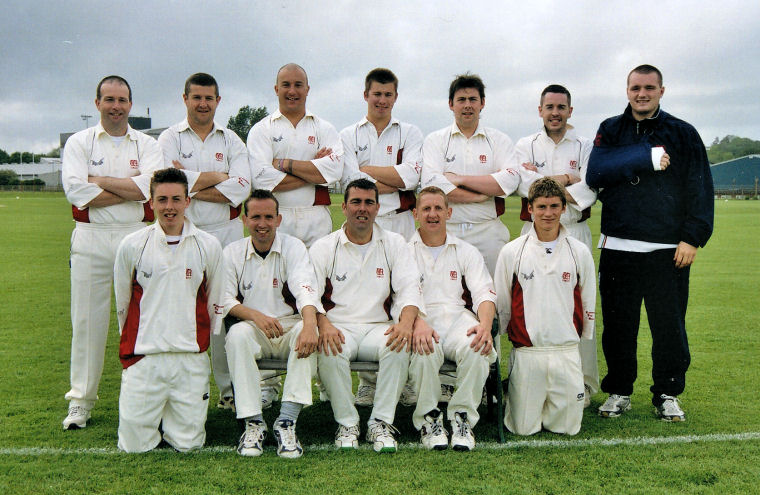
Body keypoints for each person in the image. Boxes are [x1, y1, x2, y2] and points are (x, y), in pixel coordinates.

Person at [587, 65, 714, 422]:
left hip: (667, 249)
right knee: (618, 326)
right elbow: (596, 172)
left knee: (669, 325)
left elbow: (700, 187)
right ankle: (619, 390)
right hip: (618, 245)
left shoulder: (683, 133)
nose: (641, 94)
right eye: (635, 88)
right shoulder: (611, 129)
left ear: (661, 90)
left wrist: (692, 237)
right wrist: (645, 158)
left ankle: (668, 392)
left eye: (648, 88)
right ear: (626, 90)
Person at [61, 75, 163, 429]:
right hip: (90, 237)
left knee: (135, 321)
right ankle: (81, 402)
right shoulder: (80, 142)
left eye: (122, 100)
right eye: (109, 100)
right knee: (87, 322)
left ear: (131, 104)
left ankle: (140, 398)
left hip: (137, 237)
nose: (116, 106)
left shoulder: (147, 145)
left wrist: (99, 181)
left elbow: (151, 190)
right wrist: (129, 189)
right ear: (97, 103)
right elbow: (76, 192)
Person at [158, 72, 252, 413]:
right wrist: (220, 178)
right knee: (183, 311)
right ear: (185, 99)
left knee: (224, 311)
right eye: (196, 97)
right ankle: (184, 391)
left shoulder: (232, 141)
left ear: (217, 101)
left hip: (227, 234)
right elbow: (167, 184)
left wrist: (191, 183)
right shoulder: (169, 138)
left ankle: (229, 390)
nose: (202, 103)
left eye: (209, 98)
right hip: (184, 233)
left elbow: (241, 188)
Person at [114, 168, 224, 452]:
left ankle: (174, 419)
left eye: (176, 199)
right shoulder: (132, 245)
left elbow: (215, 304)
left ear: (188, 201)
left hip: (189, 360)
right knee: (134, 447)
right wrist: (136, 351)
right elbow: (123, 304)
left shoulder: (208, 246)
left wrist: (194, 343)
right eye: (162, 199)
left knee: (189, 445)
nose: (169, 207)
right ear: (150, 202)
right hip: (145, 359)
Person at [310, 178, 424, 453]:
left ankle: (381, 423)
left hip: (379, 326)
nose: (362, 208)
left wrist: (406, 323)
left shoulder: (395, 243)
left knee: (398, 343)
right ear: (344, 207)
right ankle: (347, 423)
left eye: (369, 202)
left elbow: (409, 289)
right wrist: (323, 324)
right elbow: (310, 295)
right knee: (329, 347)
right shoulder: (324, 246)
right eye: (356, 202)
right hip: (339, 326)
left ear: (377, 207)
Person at [339, 67, 423, 407]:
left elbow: (413, 176)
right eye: (377, 94)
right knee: (366, 296)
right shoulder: (348, 134)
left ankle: (401, 379)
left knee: (401, 293)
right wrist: (390, 179)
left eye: (388, 95)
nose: (382, 100)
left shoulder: (411, 132)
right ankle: (367, 382)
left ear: (395, 97)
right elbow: (346, 179)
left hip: (400, 221)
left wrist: (366, 172)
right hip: (363, 220)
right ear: (366, 95)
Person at [514, 84, 599, 407]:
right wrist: (564, 180)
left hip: (574, 232)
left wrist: (546, 183)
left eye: (561, 107)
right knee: (532, 305)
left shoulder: (586, 146)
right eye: (549, 107)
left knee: (578, 305)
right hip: (532, 233)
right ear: (540, 110)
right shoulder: (525, 145)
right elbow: (522, 185)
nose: (555, 113)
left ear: (570, 111)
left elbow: (590, 189)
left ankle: (582, 382)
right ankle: (532, 379)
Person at [222, 190, 321, 458]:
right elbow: (224, 299)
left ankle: (286, 421)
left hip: (289, 325)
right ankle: (253, 422)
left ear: (278, 219)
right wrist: (256, 315)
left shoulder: (294, 247)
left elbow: (305, 289)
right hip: (254, 328)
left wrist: (311, 325)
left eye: (268, 217)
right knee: (236, 336)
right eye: (255, 217)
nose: (262, 224)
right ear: (245, 219)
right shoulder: (232, 252)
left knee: (305, 331)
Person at [494, 177, 596, 436]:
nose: (548, 213)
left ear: (564, 208)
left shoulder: (579, 251)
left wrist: (584, 334)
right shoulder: (512, 251)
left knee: (567, 428)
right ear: (529, 209)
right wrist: (508, 333)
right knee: (523, 429)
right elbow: (503, 300)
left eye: (554, 206)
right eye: (541, 207)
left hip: (567, 351)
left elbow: (587, 298)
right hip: (529, 353)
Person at [407, 186, 497, 451]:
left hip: (458, 317)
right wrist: (417, 321)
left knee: (476, 345)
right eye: (426, 208)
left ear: (449, 212)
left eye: (438, 208)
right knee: (424, 349)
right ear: (415, 214)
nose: (432, 214)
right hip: (421, 318)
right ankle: (429, 419)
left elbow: (484, 293)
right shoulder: (403, 251)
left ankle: (462, 419)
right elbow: (399, 295)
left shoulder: (466, 250)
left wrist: (485, 326)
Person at [421, 72, 523, 275]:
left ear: (482, 103)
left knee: (492, 298)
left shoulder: (499, 140)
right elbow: (433, 185)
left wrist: (459, 179)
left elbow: (509, 180)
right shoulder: (435, 140)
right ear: (451, 104)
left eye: (473, 99)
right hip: (447, 230)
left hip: (489, 231)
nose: (467, 105)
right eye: (461, 100)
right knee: (447, 297)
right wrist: (481, 194)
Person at [247, 63, 344, 248]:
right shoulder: (261, 129)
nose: (292, 91)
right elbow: (262, 180)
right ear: (276, 89)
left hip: (317, 217)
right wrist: (314, 169)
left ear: (307, 89)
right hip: (277, 217)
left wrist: (283, 164)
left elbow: (334, 172)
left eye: (298, 85)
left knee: (317, 275)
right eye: (286, 85)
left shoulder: (325, 128)